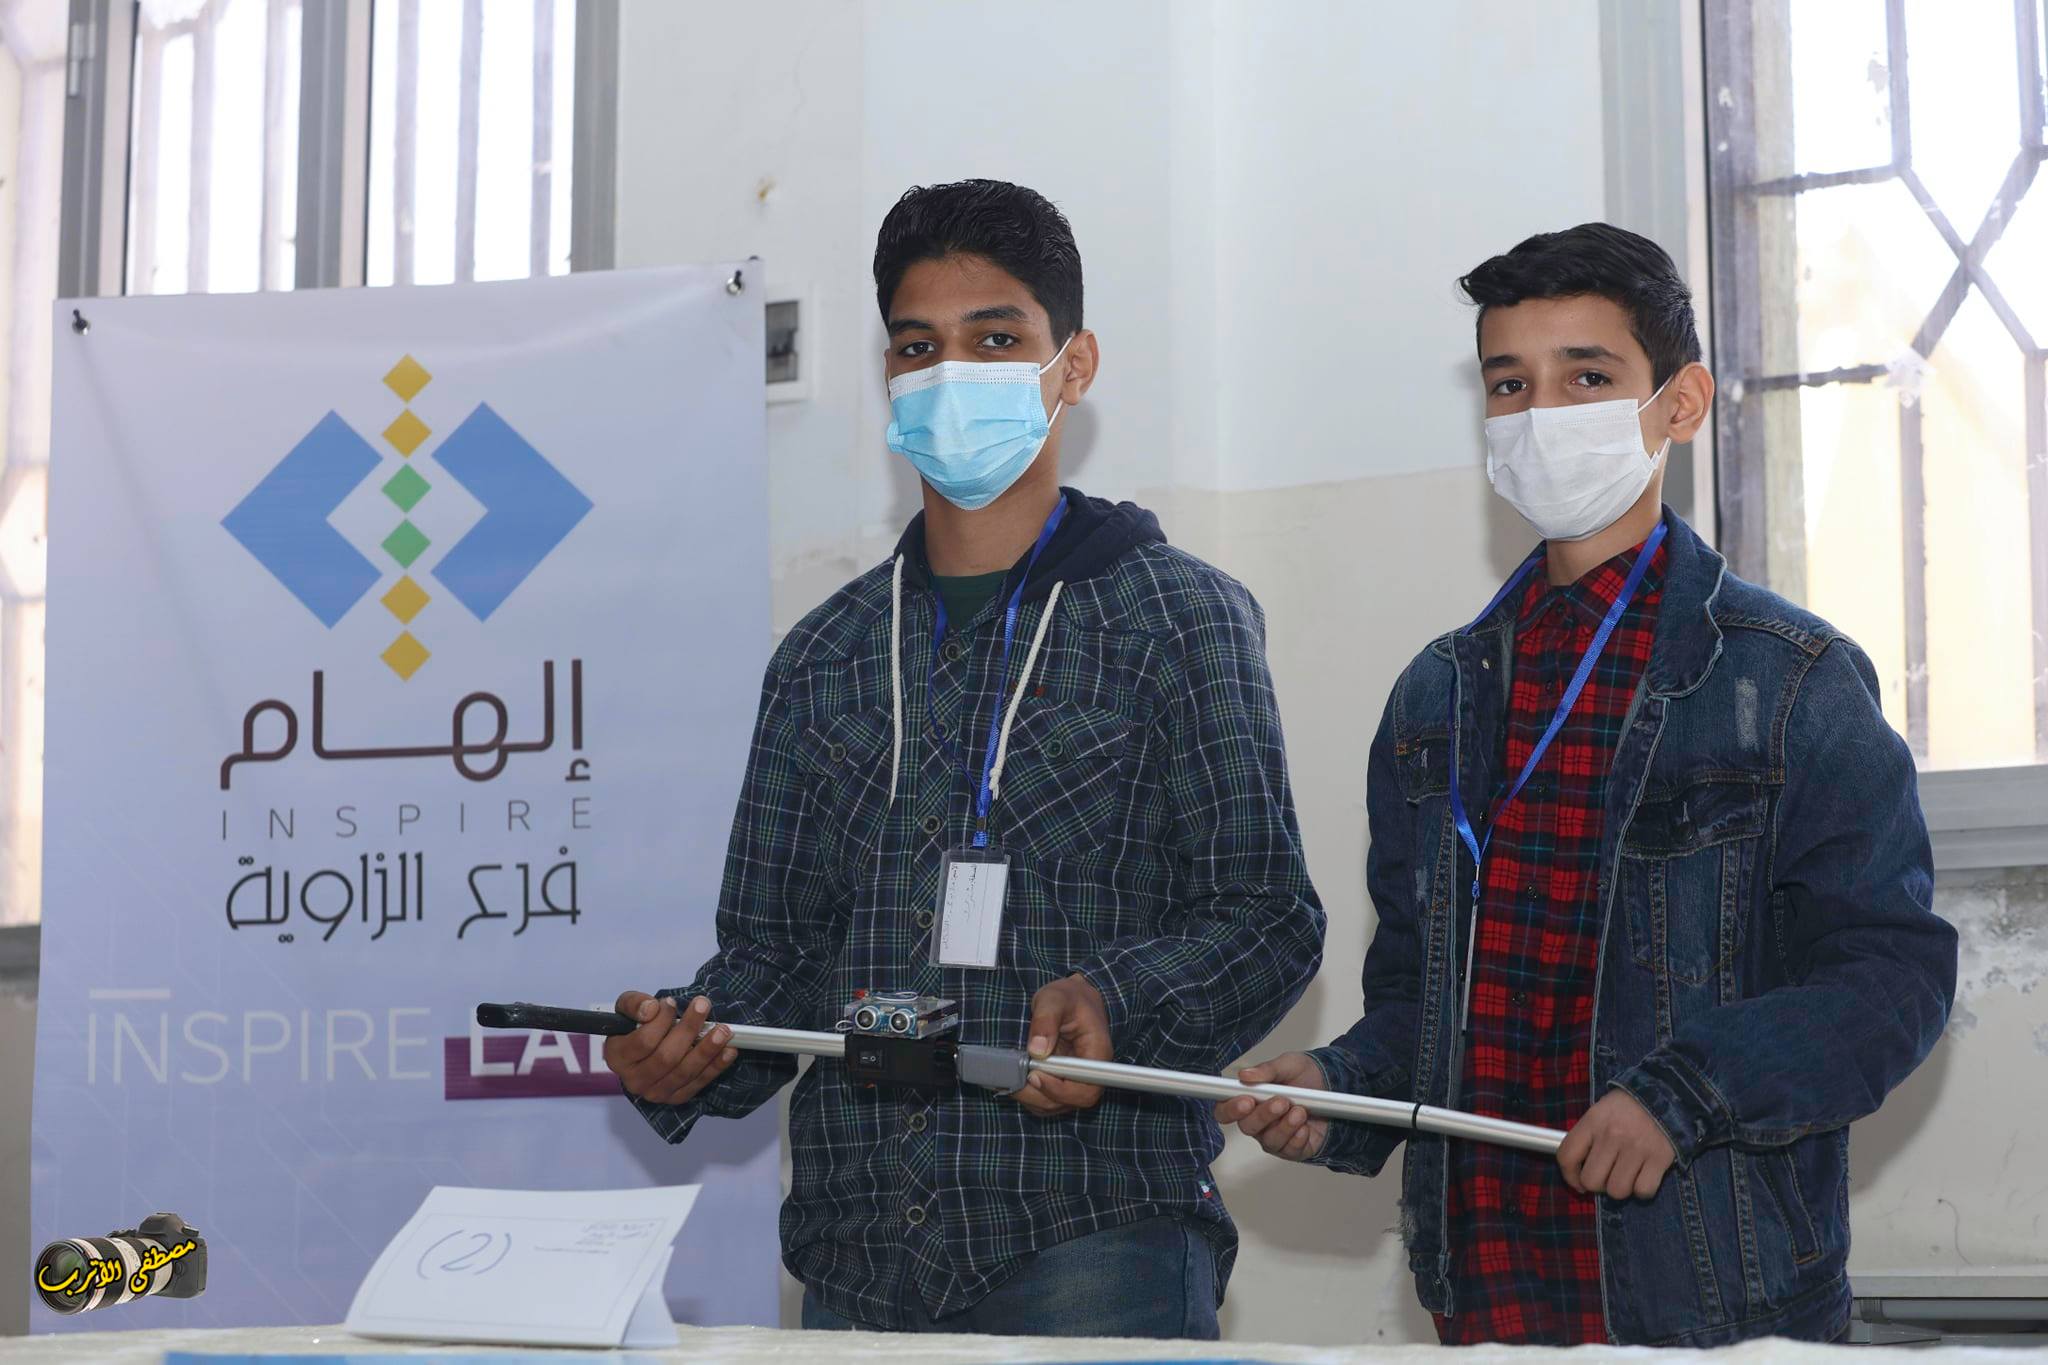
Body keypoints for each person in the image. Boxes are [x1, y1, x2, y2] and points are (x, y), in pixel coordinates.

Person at [605, 179, 1324, 1339]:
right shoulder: (823, 655)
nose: (951, 373)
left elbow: (1265, 915)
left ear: (1073, 365)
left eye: (994, 340)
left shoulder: (1175, 616)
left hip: (1092, 1231)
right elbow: (776, 955)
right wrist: (691, 1047)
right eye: (917, 347)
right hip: (855, 1251)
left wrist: (1113, 1001)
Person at [1217, 223, 1956, 1347]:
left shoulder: (1790, 680)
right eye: (1509, 384)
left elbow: (1891, 978)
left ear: (1679, 402)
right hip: (1483, 1289)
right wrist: (1335, 1090)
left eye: (1587, 377)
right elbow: (1424, 1002)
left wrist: (1686, 1093)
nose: (1541, 415)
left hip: (1708, 1298)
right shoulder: (1434, 697)